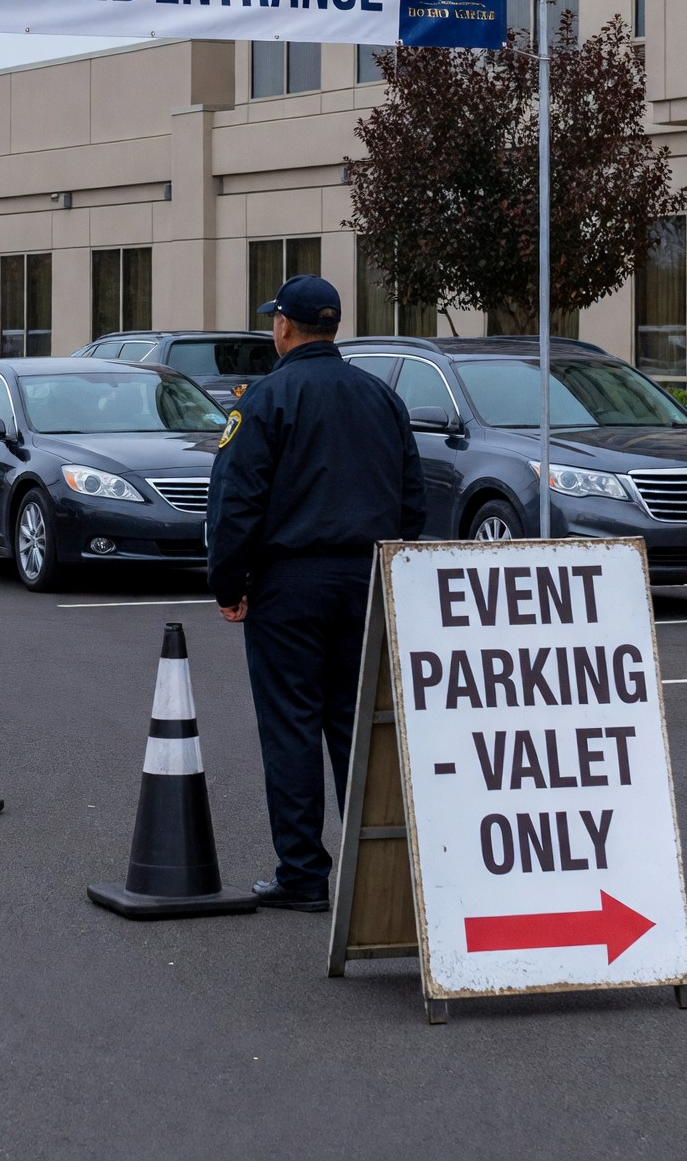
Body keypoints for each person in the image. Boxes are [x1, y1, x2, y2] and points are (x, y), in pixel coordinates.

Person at [205, 275, 424, 911]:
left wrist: (228, 580)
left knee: (292, 726)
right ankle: (377, 874)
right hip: (369, 581)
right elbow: (413, 498)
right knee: (357, 728)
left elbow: (236, 500)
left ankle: (302, 874)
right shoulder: (380, 397)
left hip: (291, 585)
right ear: (332, 327)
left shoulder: (266, 399)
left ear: (284, 327)